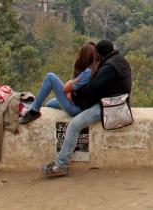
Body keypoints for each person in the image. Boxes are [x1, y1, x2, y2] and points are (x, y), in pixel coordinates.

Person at [39, 39, 132, 177]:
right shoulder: (120, 61)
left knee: (74, 125)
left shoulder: (108, 67)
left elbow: (91, 88)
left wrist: (74, 92)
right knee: (52, 104)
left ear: (100, 53)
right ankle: (61, 164)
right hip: (119, 103)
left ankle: (61, 165)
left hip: (108, 107)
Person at [20, 42, 99, 123]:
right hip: (77, 101)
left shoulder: (88, 72)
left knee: (50, 77)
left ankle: (34, 111)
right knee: (49, 104)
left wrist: (68, 89)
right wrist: (69, 90)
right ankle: (35, 106)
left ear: (84, 56)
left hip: (76, 108)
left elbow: (66, 87)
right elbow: (72, 85)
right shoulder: (92, 69)